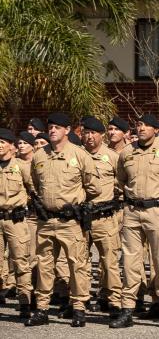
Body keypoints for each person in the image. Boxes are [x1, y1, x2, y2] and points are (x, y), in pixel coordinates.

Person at [27, 113, 100, 327]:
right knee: (44, 265)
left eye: (57, 127)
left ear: (67, 130)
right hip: (46, 221)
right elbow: (34, 183)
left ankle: (78, 308)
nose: (52, 131)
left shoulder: (80, 155)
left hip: (70, 222)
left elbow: (93, 187)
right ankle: (41, 309)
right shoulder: (40, 155)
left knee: (77, 265)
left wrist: (77, 204)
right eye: (50, 127)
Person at [110, 114, 159, 329]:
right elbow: (120, 179)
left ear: (156, 129)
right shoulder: (127, 152)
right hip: (132, 211)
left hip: (157, 211)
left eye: (146, 125)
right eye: (139, 125)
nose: (141, 128)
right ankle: (127, 310)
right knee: (130, 262)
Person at [79, 117, 123, 316]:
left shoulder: (112, 157)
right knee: (80, 261)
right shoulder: (76, 155)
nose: (89, 136)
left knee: (109, 261)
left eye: (93, 133)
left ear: (101, 135)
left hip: (104, 217)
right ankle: (81, 301)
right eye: (86, 132)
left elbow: (122, 183)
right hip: (79, 218)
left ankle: (114, 301)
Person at [0, 128, 33, 320]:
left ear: (12, 146)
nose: (0, 145)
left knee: (21, 262)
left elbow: (33, 189)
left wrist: (22, 205)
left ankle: (25, 302)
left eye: (3, 142)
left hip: (15, 220)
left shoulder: (21, 167)